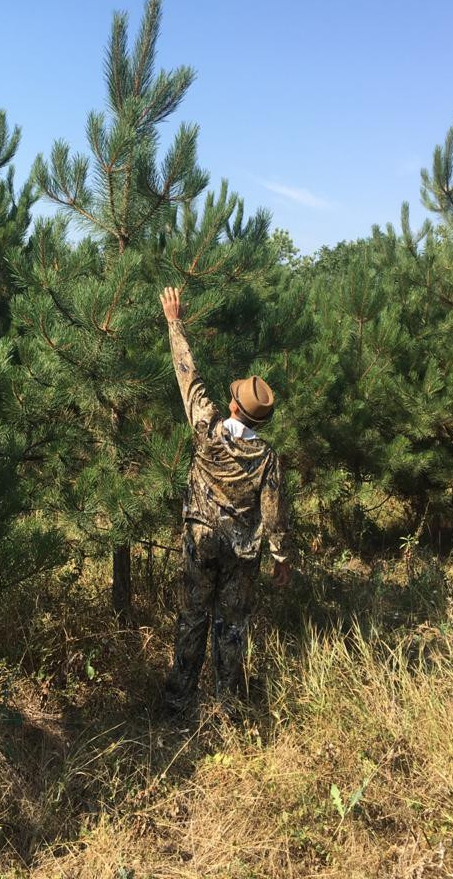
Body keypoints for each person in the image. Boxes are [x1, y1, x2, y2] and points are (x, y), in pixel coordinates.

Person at [159, 286, 290, 715]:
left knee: (193, 615)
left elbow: (187, 375)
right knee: (230, 624)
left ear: (233, 404)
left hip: (201, 539)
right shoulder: (267, 457)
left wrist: (175, 323)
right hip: (242, 549)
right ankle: (226, 703)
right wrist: (281, 558)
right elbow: (272, 515)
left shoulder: (208, 429)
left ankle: (179, 698)